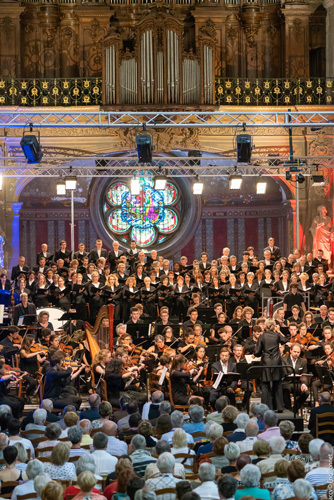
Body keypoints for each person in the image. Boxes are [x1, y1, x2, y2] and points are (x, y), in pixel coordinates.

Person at [254, 319, 290, 411]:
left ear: (265, 326)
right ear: (274, 326)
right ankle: (279, 407)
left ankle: (265, 407)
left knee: (265, 384)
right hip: (276, 361)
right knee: (277, 384)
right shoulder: (277, 335)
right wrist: (279, 331)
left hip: (266, 362)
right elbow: (285, 340)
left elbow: (257, 352)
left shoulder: (262, 336)